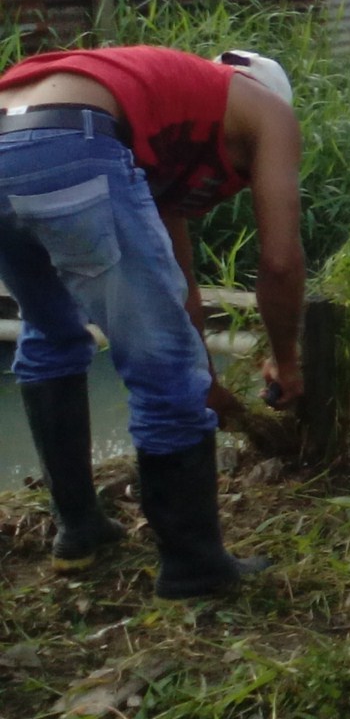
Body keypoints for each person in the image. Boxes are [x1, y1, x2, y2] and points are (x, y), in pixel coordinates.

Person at [0, 47, 305, 598]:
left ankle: (79, 529)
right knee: (162, 374)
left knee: (51, 334)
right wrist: (287, 359)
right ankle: (194, 568)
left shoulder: (162, 118)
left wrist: (207, 379)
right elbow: (281, 262)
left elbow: (174, 286)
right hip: (71, 141)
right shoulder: (270, 113)